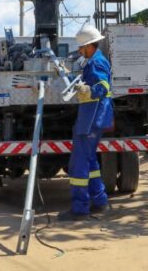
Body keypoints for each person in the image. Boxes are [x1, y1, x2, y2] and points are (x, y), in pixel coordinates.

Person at [59, 24, 114, 221]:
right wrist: (73, 78)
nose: (80, 51)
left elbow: (102, 87)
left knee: (79, 164)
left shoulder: (96, 63)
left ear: (90, 46)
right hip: (93, 118)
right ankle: (100, 202)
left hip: (91, 119)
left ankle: (80, 208)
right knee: (90, 161)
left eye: (82, 48)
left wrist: (87, 90)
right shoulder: (93, 61)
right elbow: (90, 83)